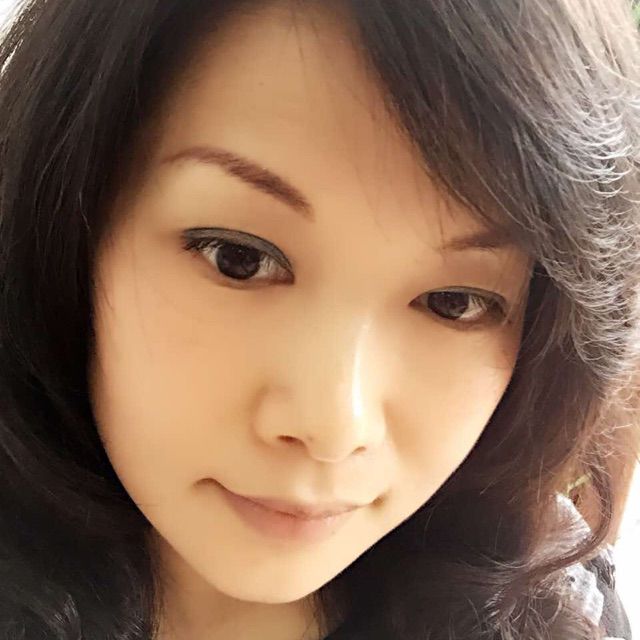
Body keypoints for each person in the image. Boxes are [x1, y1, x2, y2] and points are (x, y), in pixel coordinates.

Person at [0, 0, 638, 638]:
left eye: (454, 302)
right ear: (65, 229)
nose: (333, 427)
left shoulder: (557, 603)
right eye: (239, 258)